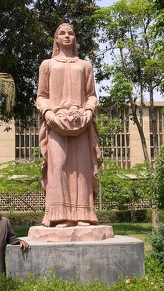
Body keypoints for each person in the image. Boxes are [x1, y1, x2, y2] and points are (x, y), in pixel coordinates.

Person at [36, 23, 101, 228]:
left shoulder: (85, 65)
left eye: (70, 33)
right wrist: (47, 113)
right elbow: (41, 96)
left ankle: (84, 215)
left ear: (74, 38)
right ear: (56, 39)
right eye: (62, 33)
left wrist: (88, 112)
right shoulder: (47, 64)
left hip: (81, 123)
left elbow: (91, 96)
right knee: (58, 166)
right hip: (55, 123)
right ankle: (59, 215)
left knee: (81, 167)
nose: (66, 36)